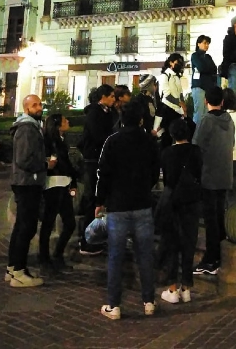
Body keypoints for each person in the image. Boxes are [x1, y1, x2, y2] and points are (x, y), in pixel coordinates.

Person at [94, 99, 161, 320]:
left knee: (115, 255)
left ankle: (114, 305)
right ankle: (149, 301)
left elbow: (103, 174)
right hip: (142, 204)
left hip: (118, 206)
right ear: (141, 119)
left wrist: (99, 200)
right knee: (145, 255)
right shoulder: (149, 142)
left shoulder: (112, 142)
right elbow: (154, 171)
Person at [6, 94, 49, 287]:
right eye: (34, 105)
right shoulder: (27, 128)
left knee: (21, 226)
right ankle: (19, 272)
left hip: (25, 182)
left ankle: (13, 267)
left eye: (39, 104)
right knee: (27, 227)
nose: (39, 107)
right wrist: (45, 163)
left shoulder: (30, 127)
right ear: (26, 108)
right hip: (27, 182)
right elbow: (24, 159)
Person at [157, 120, 201, 305]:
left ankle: (172, 288)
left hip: (173, 202)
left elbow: (167, 178)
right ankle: (187, 287)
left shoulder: (167, 153)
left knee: (172, 243)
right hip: (192, 201)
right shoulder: (197, 152)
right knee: (189, 243)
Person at [191, 85, 234, 276]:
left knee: (211, 219)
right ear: (222, 101)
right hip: (225, 174)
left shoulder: (205, 120)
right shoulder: (229, 119)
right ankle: (220, 256)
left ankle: (211, 259)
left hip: (209, 175)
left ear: (206, 101)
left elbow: (196, 147)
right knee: (219, 216)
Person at [77, 84, 116, 255]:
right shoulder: (95, 113)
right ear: (104, 97)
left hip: (98, 158)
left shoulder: (106, 112)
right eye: (112, 96)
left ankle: (93, 238)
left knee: (96, 199)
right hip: (93, 159)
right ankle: (86, 240)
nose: (114, 99)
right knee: (91, 198)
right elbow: (98, 135)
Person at [37, 112, 78, 274]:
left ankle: (57, 255)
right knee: (48, 222)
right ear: (58, 125)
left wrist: (72, 182)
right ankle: (45, 259)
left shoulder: (61, 141)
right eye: (64, 120)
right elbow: (54, 163)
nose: (68, 121)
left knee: (69, 223)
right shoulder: (48, 142)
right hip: (53, 185)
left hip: (64, 184)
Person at [157, 54, 187, 149]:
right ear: (170, 62)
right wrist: (179, 103)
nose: (180, 64)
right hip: (168, 110)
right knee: (167, 138)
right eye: (177, 62)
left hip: (177, 110)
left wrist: (182, 105)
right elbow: (166, 95)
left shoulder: (177, 77)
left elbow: (180, 92)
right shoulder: (164, 76)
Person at [189, 35, 217, 125]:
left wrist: (206, 69)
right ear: (198, 44)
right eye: (205, 43)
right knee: (199, 111)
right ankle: (195, 132)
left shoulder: (208, 57)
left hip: (208, 87)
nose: (207, 45)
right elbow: (201, 67)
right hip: (198, 86)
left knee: (206, 112)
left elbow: (214, 69)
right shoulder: (195, 55)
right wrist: (207, 68)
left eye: (208, 43)